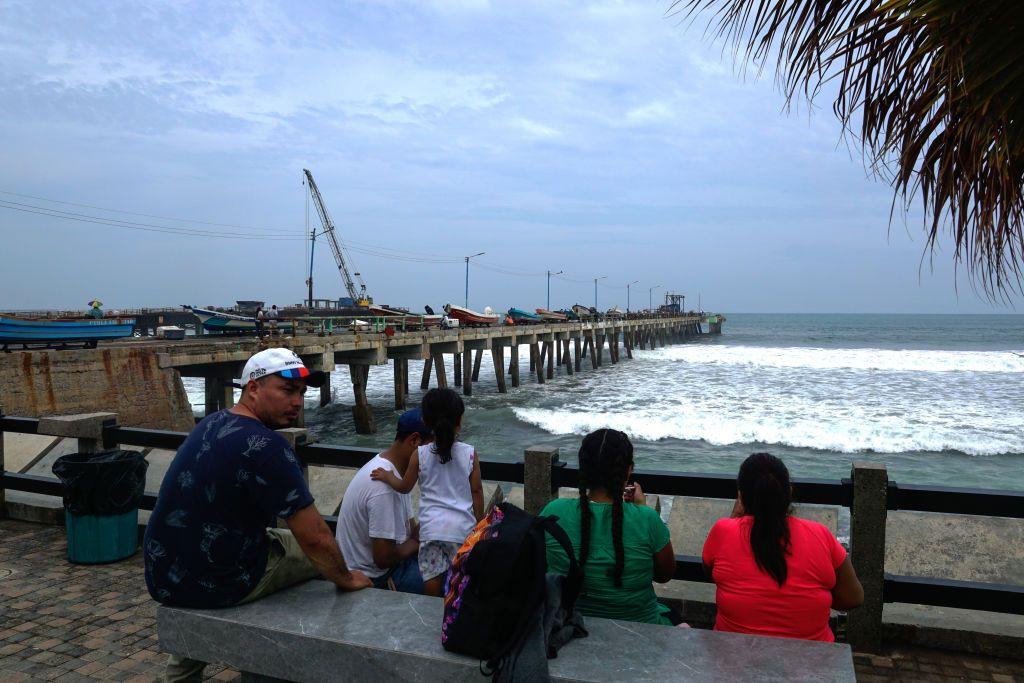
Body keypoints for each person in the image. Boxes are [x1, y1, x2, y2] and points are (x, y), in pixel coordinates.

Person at [144, 348, 370, 682]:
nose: (297, 403)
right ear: (253, 388)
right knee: (324, 557)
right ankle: (295, 659)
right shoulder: (267, 447)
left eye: (301, 394)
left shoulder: (211, 423)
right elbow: (316, 538)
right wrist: (348, 579)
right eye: (287, 391)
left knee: (281, 544)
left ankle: (181, 672)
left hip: (164, 571)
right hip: (223, 581)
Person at [702, 453, 864, 642]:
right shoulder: (820, 535)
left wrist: (736, 516)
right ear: (789, 492)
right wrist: (810, 599)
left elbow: (711, 574)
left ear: (740, 496)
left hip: (733, 659)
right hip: (811, 663)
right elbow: (854, 597)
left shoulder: (723, 531)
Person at [542, 429, 677, 625]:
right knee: (674, 617)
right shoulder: (647, 519)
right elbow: (665, 575)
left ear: (584, 470)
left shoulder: (553, 512)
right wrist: (640, 509)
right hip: (640, 626)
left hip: (569, 624)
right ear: (628, 470)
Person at [371, 388, 484, 596]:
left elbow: (404, 487)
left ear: (424, 420)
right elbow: (476, 491)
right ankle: (454, 616)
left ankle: (432, 613)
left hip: (430, 531)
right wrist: (478, 524)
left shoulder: (419, 454)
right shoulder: (469, 453)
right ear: (459, 420)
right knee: (461, 580)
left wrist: (388, 476)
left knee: (432, 577)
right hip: (461, 531)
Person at [336, 409, 433, 593]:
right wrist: (416, 539)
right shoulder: (383, 487)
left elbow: (409, 528)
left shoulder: (394, 472)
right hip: (375, 577)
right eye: (433, 448)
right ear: (414, 441)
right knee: (447, 584)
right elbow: (383, 558)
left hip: (388, 563)